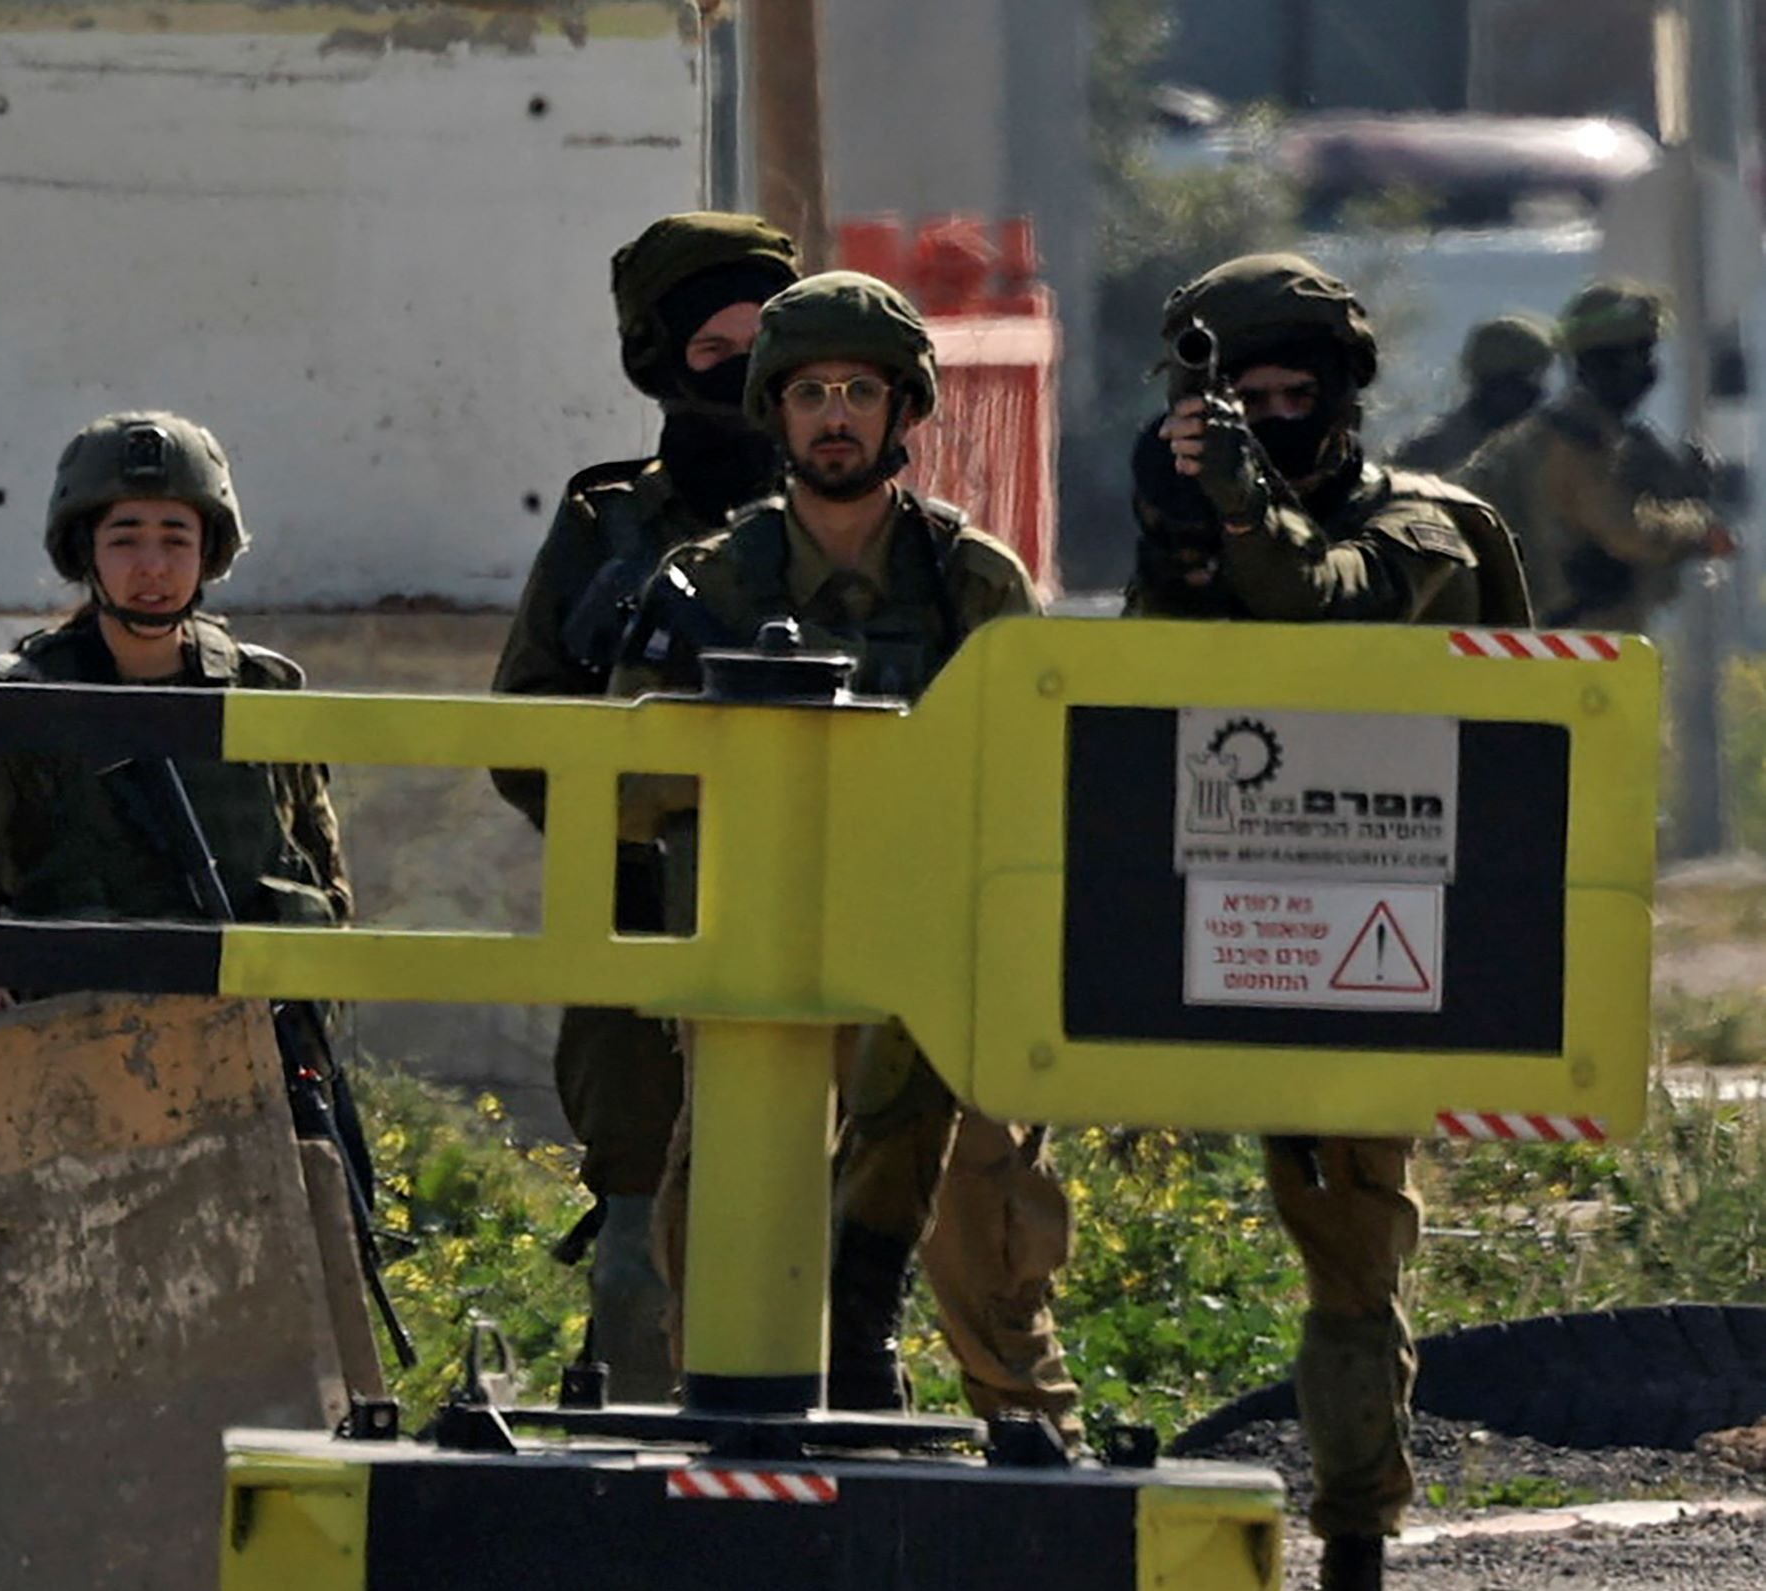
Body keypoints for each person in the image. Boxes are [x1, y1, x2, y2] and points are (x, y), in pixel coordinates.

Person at [610, 269, 1080, 1431]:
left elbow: (1030, 777)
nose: (834, 415)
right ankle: (733, 1483)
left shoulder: (970, 581)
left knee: (992, 1244)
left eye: (859, 392)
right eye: (810, 390)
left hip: (936, 965)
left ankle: (1037, 1476)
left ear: (901, 410)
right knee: (717, 1243)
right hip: (764, 956)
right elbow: (624, 783)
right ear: (774, 409)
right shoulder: (708, 584)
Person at [1127, 252, 1531, 1591]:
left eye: (1297, 393)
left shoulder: (1432, 527)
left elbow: (1328, 611)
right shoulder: (1200, 520)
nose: (1273, 413)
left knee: (1351, 1252)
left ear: (1345, 394)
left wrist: (1239, 502)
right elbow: (1142, 705)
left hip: (1379, 911)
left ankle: (1355, 1529)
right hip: (1206, 911)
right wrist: (1173, 535)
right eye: (1245, 396)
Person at [489, 210, 800, 1401]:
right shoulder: (604, 526)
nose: (742, 376)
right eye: (712, 351)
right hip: (634, 938)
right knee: (637, 1251)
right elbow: (523, 740)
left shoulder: (849, 524)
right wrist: (653, 826)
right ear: (659, 360)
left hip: (819, 930)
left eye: (762, 344)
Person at [0, 410, 350, 1024]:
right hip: (80, 1025)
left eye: (176, 538)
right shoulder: (21, 698)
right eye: (125, 538)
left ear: (207, 553)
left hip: (253, 1022)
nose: (153, 565)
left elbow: (320, 865)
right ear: (85, 550)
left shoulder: (262, 690)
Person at [1456, 279, 1731, 631]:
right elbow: (1628, 533)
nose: (1648, 368)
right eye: (1642, 353)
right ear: (1615, 361)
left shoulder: (1581, 433)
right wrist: (1699, 528)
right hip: (1568, 644)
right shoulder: (1576, 439)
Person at [1387, 313, 1555, 473]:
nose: (1536, 392)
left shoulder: (1546, 448)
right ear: (1493, 382)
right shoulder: (1428, 453)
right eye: (1523, 380)